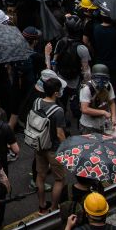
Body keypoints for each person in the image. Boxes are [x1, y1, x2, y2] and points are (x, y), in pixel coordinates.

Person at [26, 76, 68, 213]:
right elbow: (60, 134)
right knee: (59, 179)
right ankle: (54, 207)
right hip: (53, 149)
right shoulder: (58, 111)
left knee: (40, 175)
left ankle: (42, 205)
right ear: (56, 93)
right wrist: (67, 148)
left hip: (38, 145)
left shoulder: (37, 102)